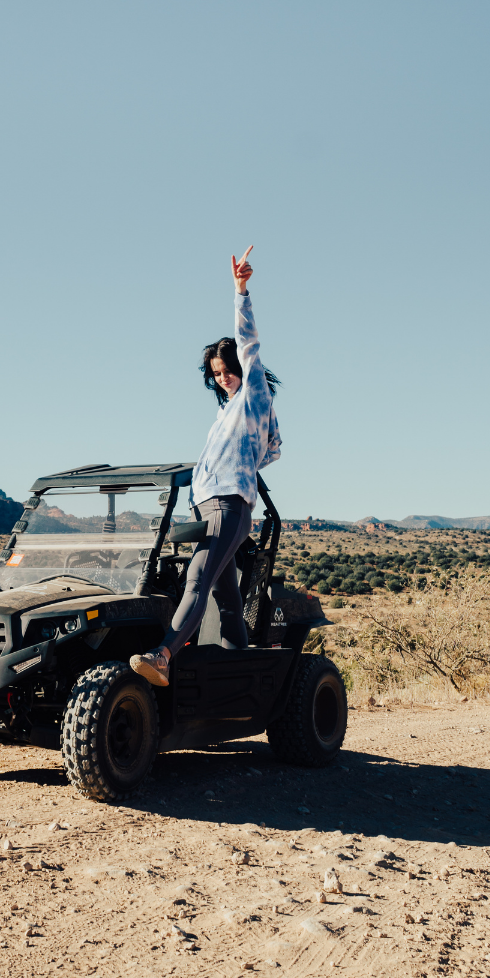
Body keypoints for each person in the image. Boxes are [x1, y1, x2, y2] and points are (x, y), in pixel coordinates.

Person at [130, 246, 281, 687]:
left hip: (229, 506)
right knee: (225, 595)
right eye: (216, 373)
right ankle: (242, 677)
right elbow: (271, 451)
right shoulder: (225, 414)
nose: (223, 377)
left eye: (227, 369)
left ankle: (162, 655)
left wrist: (241, 291)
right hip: (206, 508)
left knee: (198, 579)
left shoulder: (252, 396)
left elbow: (250, 344)